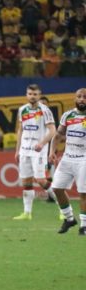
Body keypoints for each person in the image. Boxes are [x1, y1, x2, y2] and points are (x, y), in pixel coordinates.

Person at [13, 83, 57, 221]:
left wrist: (42, 143)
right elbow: (21, 130)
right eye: (30, 94)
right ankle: (27, 213)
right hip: (24, 150)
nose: (32, 96)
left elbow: (53, 130)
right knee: (26, 182)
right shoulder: (22, 110)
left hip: (38, 151)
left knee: (41, 180)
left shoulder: (45, 110)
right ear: (27, 95)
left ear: (39, 95)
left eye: (35, 94)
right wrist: (17, 150)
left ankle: (63, 207)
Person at [53, 88, 86, 235]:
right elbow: (59, 134)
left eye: (85, 97)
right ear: (75, 99)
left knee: (83, 193)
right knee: (57, 188)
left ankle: (84, 226)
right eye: (79, 96)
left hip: (83, 159)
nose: (82, 99)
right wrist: (51, 151)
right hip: (67, 158)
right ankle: (69, 219)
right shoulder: (68, 115)